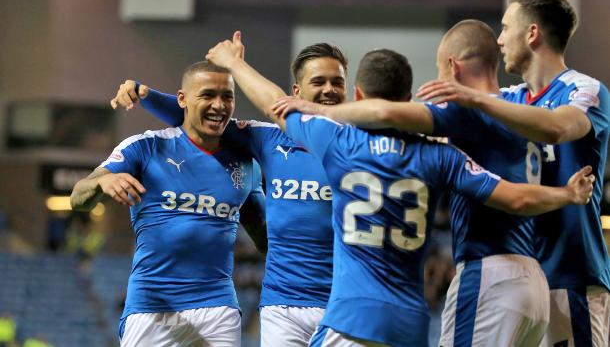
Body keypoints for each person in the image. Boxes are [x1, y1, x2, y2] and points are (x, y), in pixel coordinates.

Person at [274, 48, 590, 345]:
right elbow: (517, 199)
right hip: (410, 325)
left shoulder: (338, 141)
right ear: (408, 99)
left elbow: (272, 104)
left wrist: (236, 64)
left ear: (357, 95)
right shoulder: (441, 156)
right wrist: (566, 193)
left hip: (351, 319)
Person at [110, 35, 347, 346]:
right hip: (284, 306)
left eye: (338, 82)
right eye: (320, 81)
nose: (329, 89)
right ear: (297, 92)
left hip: (347, 301)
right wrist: (145, 94)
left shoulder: (361, 143)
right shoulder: (267, 139)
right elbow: (202, 117)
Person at [417, 0, 610, 346]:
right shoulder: (508, 100)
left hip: (570, 277)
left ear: (532, 33)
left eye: (506, 28)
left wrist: (474, 98)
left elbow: (556, 127)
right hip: (522, 277)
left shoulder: (585, 89)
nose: (500, 39)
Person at [71, 61, 265, 347]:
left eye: (227, 97)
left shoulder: (247, 165)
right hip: (152, 306)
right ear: (182, 99)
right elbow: (78, 197)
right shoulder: (145, 147)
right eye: (208, 95)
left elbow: (266, 239)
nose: (219, 105)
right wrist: (101, 183)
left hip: (217, 307)